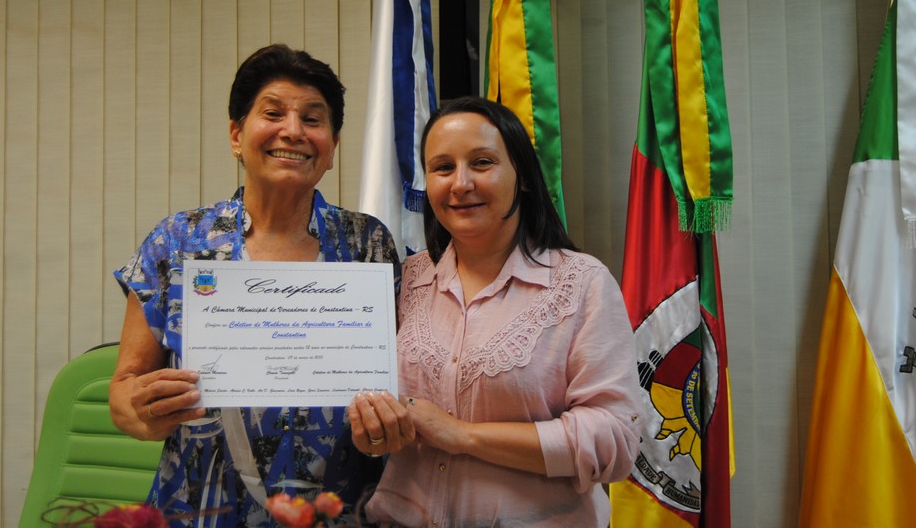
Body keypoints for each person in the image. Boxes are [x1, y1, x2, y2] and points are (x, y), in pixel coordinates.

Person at [109, 44, 408, 527]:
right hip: (202, 509)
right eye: (273, 113)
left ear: (332, 146)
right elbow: (123, 392)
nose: (294, 131)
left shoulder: (367, 243)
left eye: (313, 119)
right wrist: (141, 412)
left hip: (335, 511)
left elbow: (396, 382)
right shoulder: (178, 240)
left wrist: (387, 425)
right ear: (236, 135)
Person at [348, 97, 641, 527]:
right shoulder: (406, 279)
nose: (460, 183)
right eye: (442, 167)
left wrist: (465, 436)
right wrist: (375, 430)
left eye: (482, 163)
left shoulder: (581, 283)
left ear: (523, 177)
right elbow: (377, 399)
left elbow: (615, 441)